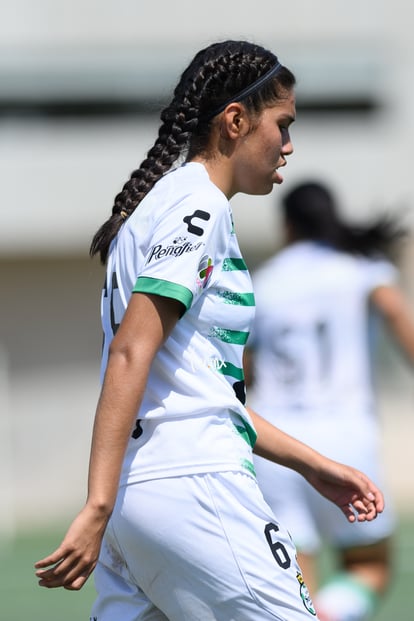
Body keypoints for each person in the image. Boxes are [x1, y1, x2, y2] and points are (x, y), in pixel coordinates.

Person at [34, 41, 384, 621]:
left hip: (138, 500)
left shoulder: (155, 206)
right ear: (236, 121)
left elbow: (198, 391)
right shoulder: (199, 208)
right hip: (195, 490)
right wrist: (93, 505)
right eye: (283, 125)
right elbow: (130, 353)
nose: (289, 146)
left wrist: (312, 464)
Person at [244, 180, 414, 621]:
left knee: (296, 585)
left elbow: (242, 371)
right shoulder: (362, 269)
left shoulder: (263, 282)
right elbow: (397, 314)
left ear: (286, 226)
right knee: (370, 564)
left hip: (275, 446)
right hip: (347, 439)